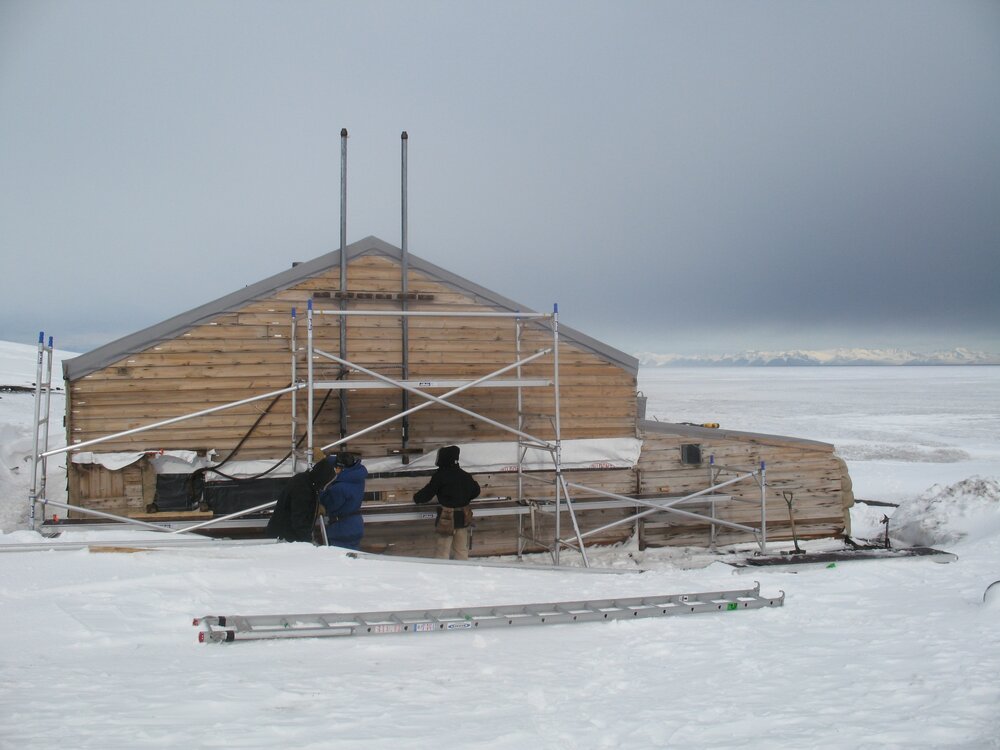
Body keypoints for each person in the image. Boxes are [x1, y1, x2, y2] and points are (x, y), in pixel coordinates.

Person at [414, 445, 481, 560]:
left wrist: (416, 498)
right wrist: (465, 499)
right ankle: (462, 570)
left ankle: (442, 571)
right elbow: (476, 491)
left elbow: (428, 493)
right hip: (463, 516)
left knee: (442, 551)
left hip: (446, 517)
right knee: (461, 550)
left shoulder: (440, 476)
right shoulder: (465, 475)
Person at [265, 456, 336, 543]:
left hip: (288, 534)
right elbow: (299, 519)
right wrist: (307, 541)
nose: (324, 488)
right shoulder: (303, 488)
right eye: (326, 483)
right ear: (322, 478)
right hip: (288, 538)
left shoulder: (306, 482)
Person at [319, 452, 368, 550]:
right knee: (353, 555)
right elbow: (335, 461)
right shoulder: (356, 475)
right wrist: (323, 459)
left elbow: (329, 505)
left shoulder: (339, 488)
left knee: (342, 557)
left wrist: (320, 492)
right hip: (355, 523)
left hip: (341, 528)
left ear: (340, 468)